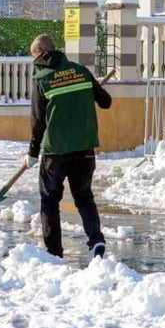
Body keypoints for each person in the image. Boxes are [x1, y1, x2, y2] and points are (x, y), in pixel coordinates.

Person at [24, 33, 112, 260]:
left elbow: (37, 120)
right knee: (84, 197)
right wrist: (88, 91)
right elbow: (106, 102)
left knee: (50, 201)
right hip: (84, 149)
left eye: (34, 56)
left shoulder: (41, 79)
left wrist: (33, 152)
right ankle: (96, 241)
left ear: (40, 54)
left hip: (56, 152)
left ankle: (54, 252)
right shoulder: (80, 71)